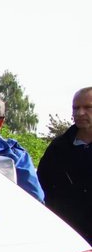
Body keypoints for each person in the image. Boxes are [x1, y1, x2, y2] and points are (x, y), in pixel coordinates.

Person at [38, 86, 92, 243]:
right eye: (76, 108)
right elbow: (42, 184)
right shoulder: (59, 147)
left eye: (88, 107)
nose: (80, 113)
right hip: (68, 235)